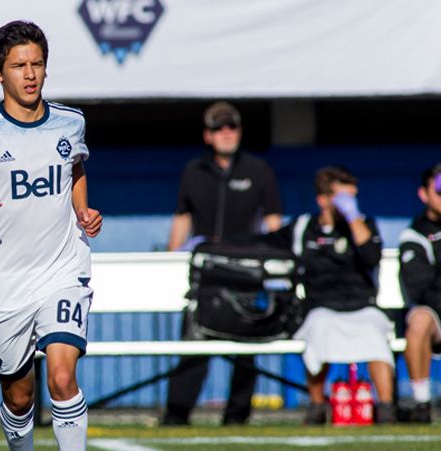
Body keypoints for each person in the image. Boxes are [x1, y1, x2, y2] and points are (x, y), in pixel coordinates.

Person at [0, 20, 102, 451]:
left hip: (64, 269)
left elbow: (76, 168)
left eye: (38, 64)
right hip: (7, 282)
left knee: (63, 378)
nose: (29, 74)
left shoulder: (70, 122)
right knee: (19, 395)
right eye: (18, 65)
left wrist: (82, 209)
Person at [163, 101, 283, 426]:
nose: (226, 133)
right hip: (205, 273)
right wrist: (171, 258)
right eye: (219, 128)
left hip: (246, 271)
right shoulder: (193, 171)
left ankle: (237, 416)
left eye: (232, 127)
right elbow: (182, 218)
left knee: (247, 348)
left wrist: (274, 263)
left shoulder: (259, 170)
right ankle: (176, 415)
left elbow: (273, 223)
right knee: (194, 347)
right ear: (208, 135)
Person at [263, 166, 395, 424]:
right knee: (319, 329)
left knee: (375, 332)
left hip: (361, 306)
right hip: (320, 307)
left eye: (351, 198)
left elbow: (371, 256)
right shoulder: (304, 227)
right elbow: (265, 242)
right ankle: (316, 406)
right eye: (342, 198)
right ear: (323, 200)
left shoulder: (363, 225)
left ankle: (387, 408)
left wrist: (353, 217)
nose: (348, 204)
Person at [397, 163, 441, 423]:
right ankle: (422, 401)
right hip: (437, 314)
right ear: (424, 195)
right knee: (419, 320)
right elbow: (420, 288)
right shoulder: (415, 234)